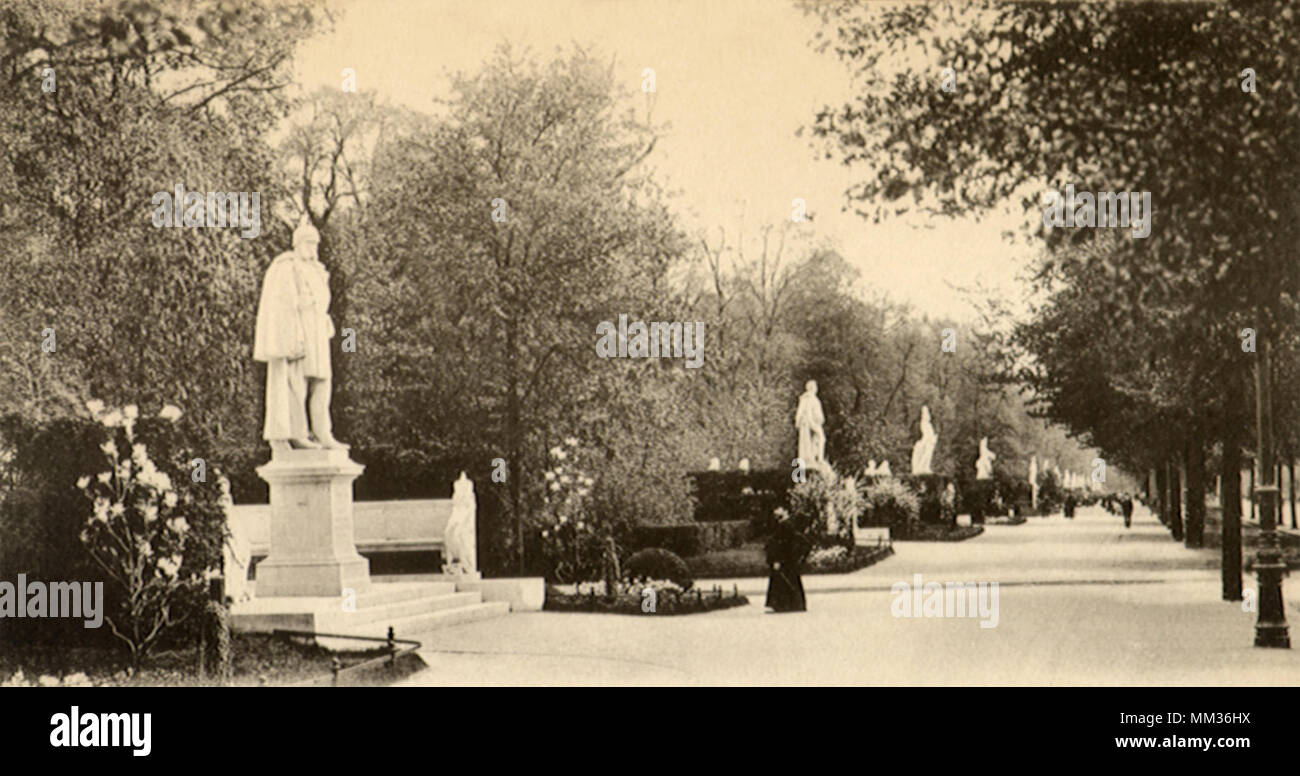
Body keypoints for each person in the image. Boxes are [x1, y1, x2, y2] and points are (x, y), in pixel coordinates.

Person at [253, 216, 346, 453]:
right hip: (298, 332)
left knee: (322, 383)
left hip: (317, 331)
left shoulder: (318, 270)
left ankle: (323, 432)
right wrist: (294, 332)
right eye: (308, 242)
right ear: (297, 243)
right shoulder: (286, 266)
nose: (312, 247)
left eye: (315, 243)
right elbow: (281, 305)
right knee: (296, 384)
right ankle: (297, 433)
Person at [765, 509, 810, 613]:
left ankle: (786, 604)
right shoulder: (785, 525)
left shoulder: (785, 526)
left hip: (785, 560)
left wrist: (777, 559)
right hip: (788, 560)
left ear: (784, 512)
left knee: (784, 581)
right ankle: (792, 604)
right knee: (788, 580)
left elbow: (781, 545)